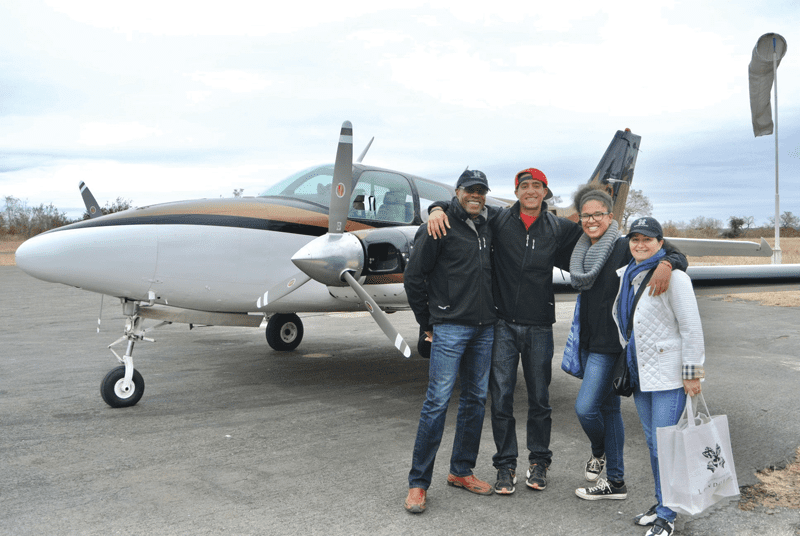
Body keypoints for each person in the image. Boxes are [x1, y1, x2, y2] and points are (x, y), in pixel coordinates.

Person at [427, 168, 583, 494]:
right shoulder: (497, 220)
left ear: (545, 192)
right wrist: (436, 209)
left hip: (540, 325)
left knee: (540, 399)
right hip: (503, 325)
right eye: (524, 186)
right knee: (501, 399)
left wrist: (667, 258)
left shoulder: (559, 228)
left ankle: (539, 461)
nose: (530, 191)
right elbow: (462, 203)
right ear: (516, 192)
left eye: (537, 186)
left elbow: (597, 239)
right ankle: (505, 465)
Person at [569, 185, 686, 504]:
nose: (591, 220)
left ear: (610, 216)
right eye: (585, 215)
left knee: (585, 407)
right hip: (591, 341)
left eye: (598, 214)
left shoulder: (624, 245)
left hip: (613, 347)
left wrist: (668, 265)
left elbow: (673, 252)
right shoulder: (579, 250)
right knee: (607, 410)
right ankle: (615, 483)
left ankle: (598, 453)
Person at [403, 169, 497, 514]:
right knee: (437, 403)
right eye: (470, 190)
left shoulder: (489, 225)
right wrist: (427, 323)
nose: (476, 195)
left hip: (485, 328)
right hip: (450, 328)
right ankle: (418, 483)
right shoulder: (439, 226)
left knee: (475, 400)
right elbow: (414, 277)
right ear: (458, 192)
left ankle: (461, 471)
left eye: (481, 191)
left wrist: (437, 204)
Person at [612, 216, 704, 536]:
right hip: (641, 374)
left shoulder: (675, 278)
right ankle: (662, 501)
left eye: (647, 239)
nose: (640, 244)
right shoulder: (629, 276)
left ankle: (667, 514)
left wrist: (692, 374)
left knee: (666, 446)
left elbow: (691, 328)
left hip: (668, 375)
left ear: (660, 243)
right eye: (635, 239)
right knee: (654, 444)